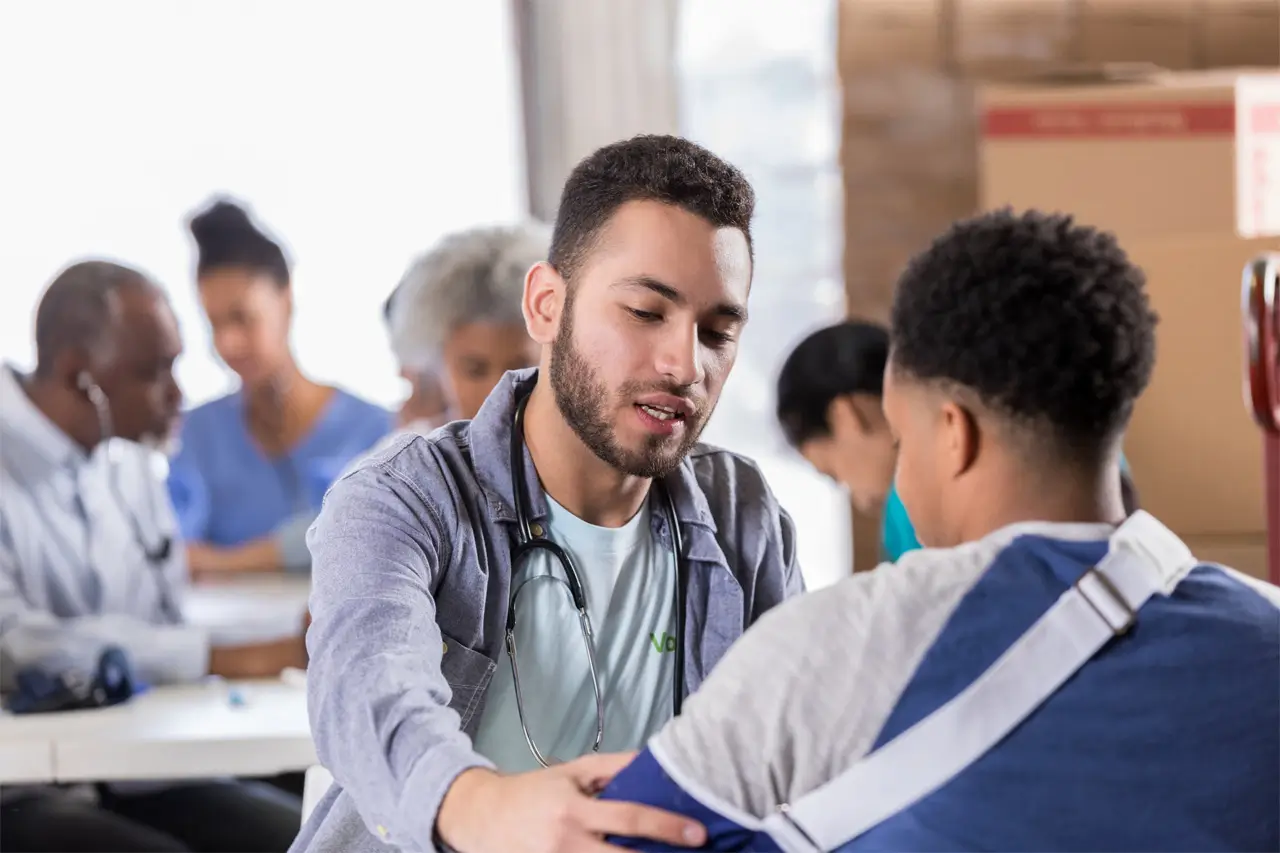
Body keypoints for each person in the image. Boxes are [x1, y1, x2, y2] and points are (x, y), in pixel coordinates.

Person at [598, 209, 1280, 852]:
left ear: (954, 434)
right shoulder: (1264, 628)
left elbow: (614, 836)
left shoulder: (835, 648)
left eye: (903, 432)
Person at [291, 135, 806, 853]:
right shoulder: (403, 497)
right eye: (646, 312)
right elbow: (364, 688)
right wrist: (483, 808)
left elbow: (793, 746)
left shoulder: (738, 509)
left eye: (717, 330)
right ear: (545, 305)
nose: (685, 364)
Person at [0, 260, 305, 853]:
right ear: (77, 376)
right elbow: (14, 646)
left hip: (137, 768)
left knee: (308, 839)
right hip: (23, 782)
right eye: (152, 372)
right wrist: (223, 656)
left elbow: (164, 621)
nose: (178, 394)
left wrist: (294, 632)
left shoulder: (131, 458)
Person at [777, 319, 1142, 561]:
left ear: (847, 415)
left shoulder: (910, 496)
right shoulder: (1064, 432)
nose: (857, 499)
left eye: (832, 474)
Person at [166, 199, 391, 576]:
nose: (228, 344)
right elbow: (171, 556)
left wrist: (223, 563)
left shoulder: (375, 430)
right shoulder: (195, 434)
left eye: (242, 318)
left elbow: (371, 537)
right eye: (214, 325)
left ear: (285, 300)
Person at [385, 223, 547, 428]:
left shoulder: (583, 451)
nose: (500, 393)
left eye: (522, 368)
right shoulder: (408, 457)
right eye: (475, 371)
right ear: (437, 367)